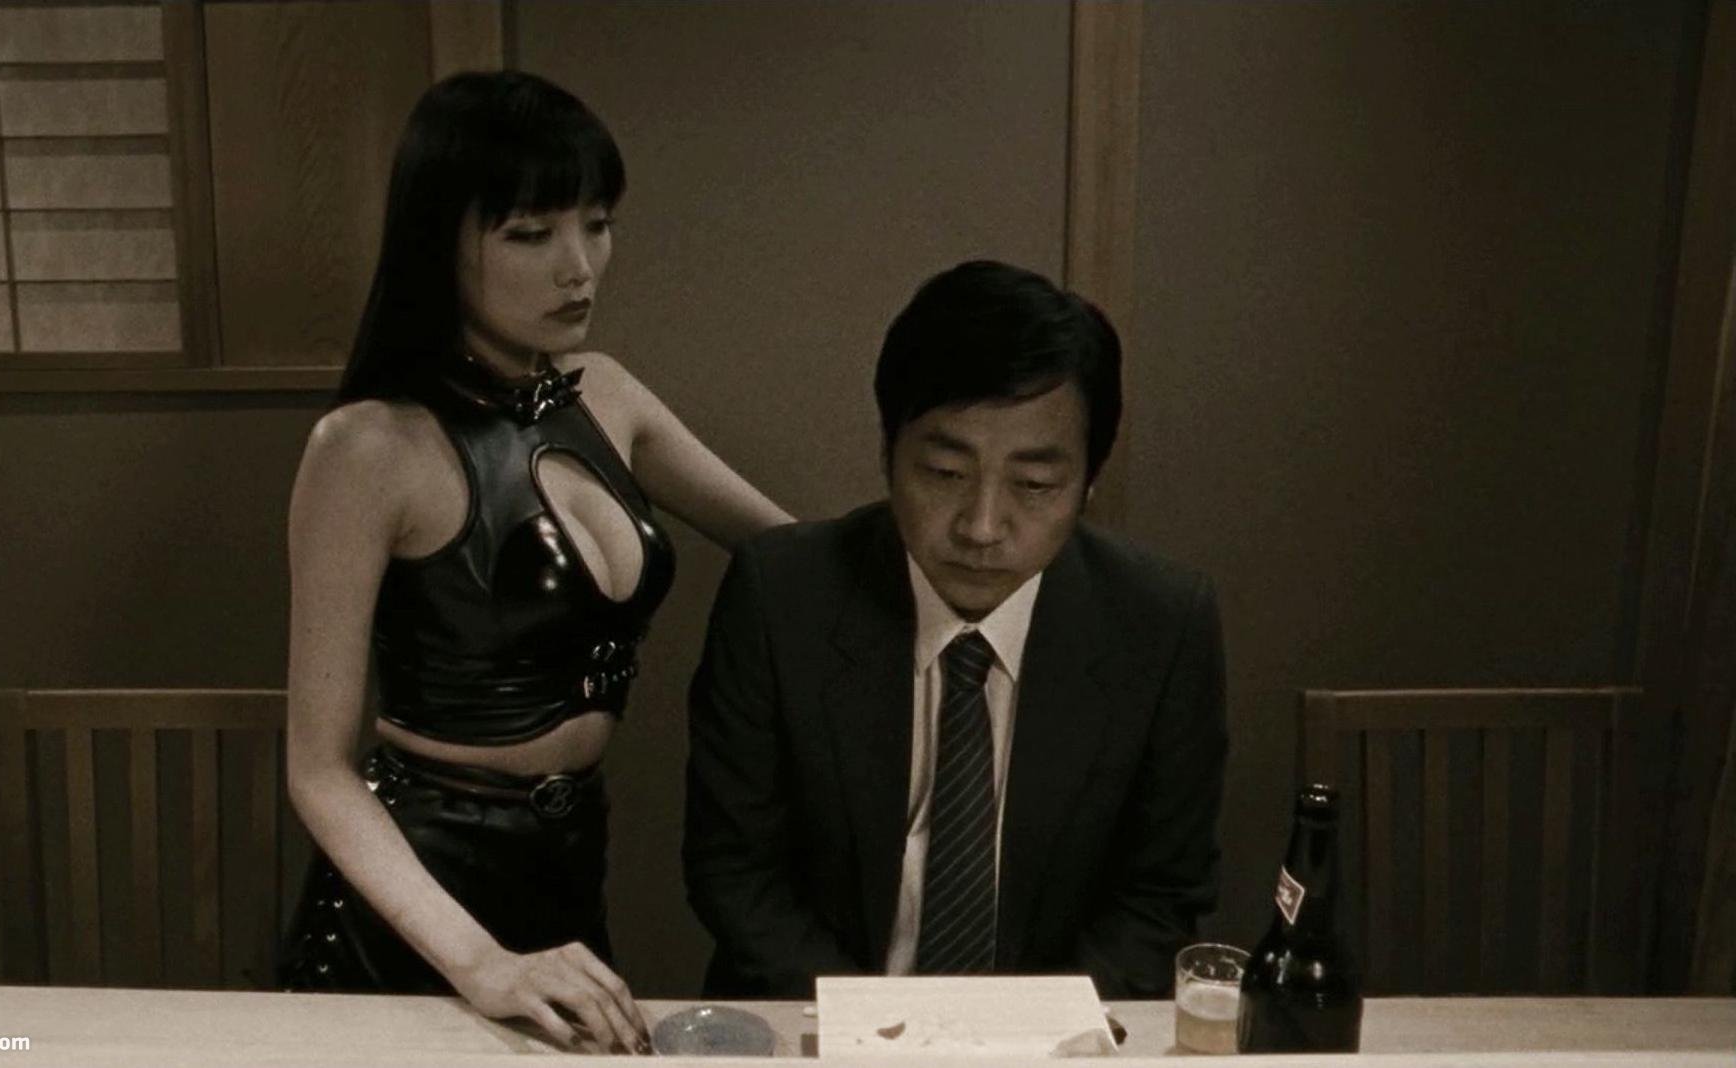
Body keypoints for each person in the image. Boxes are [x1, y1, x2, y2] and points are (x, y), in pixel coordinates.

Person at [279, 71, 788, 1053]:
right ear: (439, 240)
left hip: (566, 873)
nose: (579, 267)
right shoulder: (367, 448)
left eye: (597, 225)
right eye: (530, 233)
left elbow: (786, 550)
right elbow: (320, 771)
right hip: (416, 905)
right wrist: (483, 964)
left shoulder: (607, 392)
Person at [683, 259, 1226, 999]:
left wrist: (1022, 1034)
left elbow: (1161, 897)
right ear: (887, 453)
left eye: (1035, 484)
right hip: (819, 1019)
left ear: (1088, 482)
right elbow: (735, 874)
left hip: (1053, 1036)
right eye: (944, 473)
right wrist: (878, 1030)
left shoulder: (1161, 624)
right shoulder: (781, 594)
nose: (982, 526)